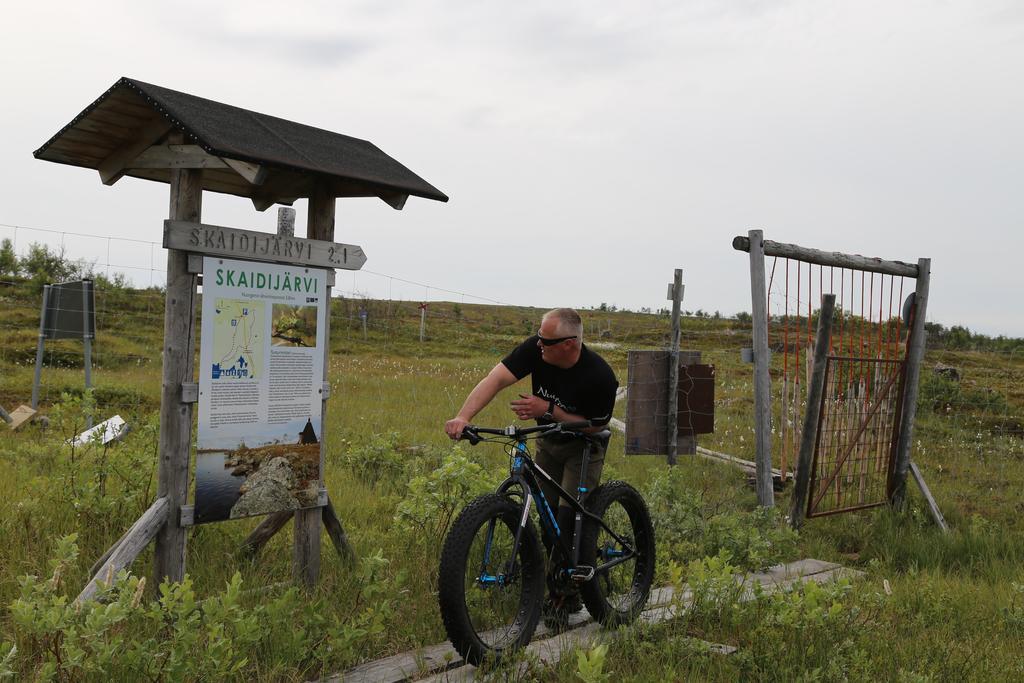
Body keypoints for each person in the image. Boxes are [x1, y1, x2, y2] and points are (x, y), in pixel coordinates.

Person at [445, 307, 618, 625]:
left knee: (567, 517)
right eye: (538, 337)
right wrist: (463, 416)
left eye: (545, 340)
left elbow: (595, 427)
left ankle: (567, 596)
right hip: (548, 441)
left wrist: (549, 409)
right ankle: (553, 581)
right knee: (548, 516)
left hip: (584, 446)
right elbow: (495, 379)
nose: (538, 344)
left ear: (569, 344)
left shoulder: (600, 375)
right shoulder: (537, 349)